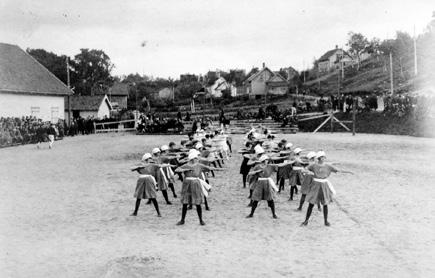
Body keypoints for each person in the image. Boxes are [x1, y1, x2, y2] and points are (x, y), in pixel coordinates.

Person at [301, 151, 353, 226]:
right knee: (311, 204)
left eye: (324, 157)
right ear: (319, 158)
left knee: (325, 204)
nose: (324, 158)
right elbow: (304, 169)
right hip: (315, 185)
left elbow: (338, 170)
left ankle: (326, 221)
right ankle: (306, 221)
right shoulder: (313, 165)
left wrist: (348, 172)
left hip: (324, 186)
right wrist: (309, 173)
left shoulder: (328, 166)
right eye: (322, 157)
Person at [174, 151, 223, 226]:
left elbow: (208, 168)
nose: (197, 159)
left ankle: (201, 220)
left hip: (195, 183)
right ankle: (182, 220)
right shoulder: (186, 165)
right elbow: (177, 170)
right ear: (192, 159)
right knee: (185, 203)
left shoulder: (199, 165)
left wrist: (216, 169)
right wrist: (185, 170)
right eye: (196, 158)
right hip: (187, 185)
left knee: (197, 203)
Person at [246, 155, 292, 219]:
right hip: (259, 183)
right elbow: (250, 173)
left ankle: (274, 214)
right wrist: (257, 171)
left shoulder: (269, 166)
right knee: (256, 200)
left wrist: (287, 163)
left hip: (267, 183)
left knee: (270, 200)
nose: (267, 161)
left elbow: (279, 165)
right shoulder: (257, 166)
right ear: (263, 161)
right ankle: (251, 214)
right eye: (266, 160)